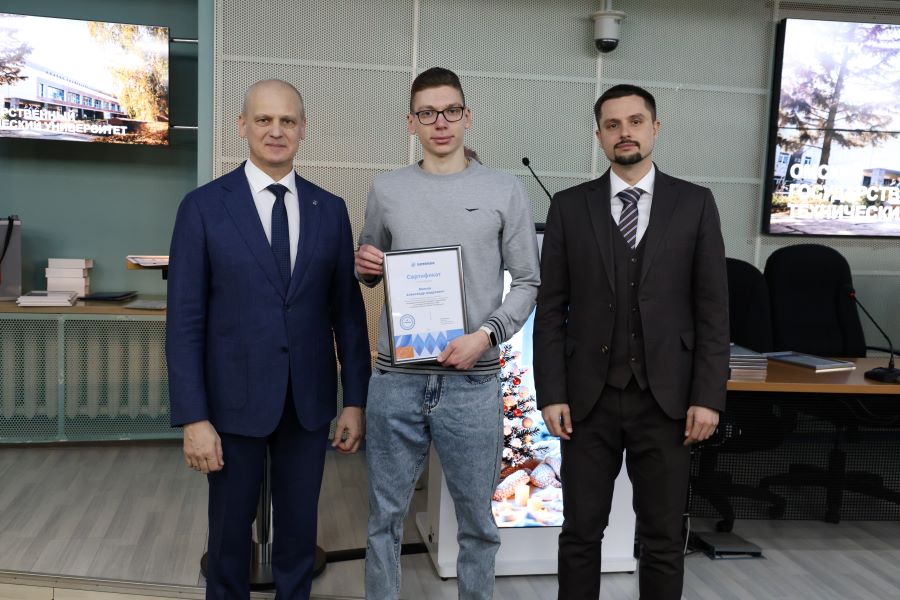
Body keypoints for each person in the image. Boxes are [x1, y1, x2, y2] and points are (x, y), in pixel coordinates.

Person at [166, 79, 370, 600]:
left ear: (303, 130)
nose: (275, 131)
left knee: (299, 536)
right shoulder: (203, 207)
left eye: (287, 121)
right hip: (230, 406)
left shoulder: (330, 209)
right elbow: (184, 322)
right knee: (228, 538)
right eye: (263, 120)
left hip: (308, 404)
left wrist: (354, 401)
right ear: (243, 126)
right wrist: (193, 418)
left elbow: (347, 316)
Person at [533, 84, 729, 600]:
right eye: (613, 124)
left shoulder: (695, 204)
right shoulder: (569, 207)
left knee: (663, 538)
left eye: (635, 121)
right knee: (580, 533)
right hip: (587, 400)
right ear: (599, 135)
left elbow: (713, 310)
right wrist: (551, 393)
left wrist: (708, 396)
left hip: (668, 400)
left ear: (655, 128)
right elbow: (550, 309)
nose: (625, 133)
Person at [355, 67, 540, 600]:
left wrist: (486, 336)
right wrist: (365, 266)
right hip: (397, 378)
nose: (441, 122)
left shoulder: (504, 189)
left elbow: (528, 281)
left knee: (478, 523)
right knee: (384, 519)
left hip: (473, 379)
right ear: (411, 122)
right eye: (428, 113)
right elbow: (371, 265)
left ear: (467, 117)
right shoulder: (387, 189)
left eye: (451, 110)